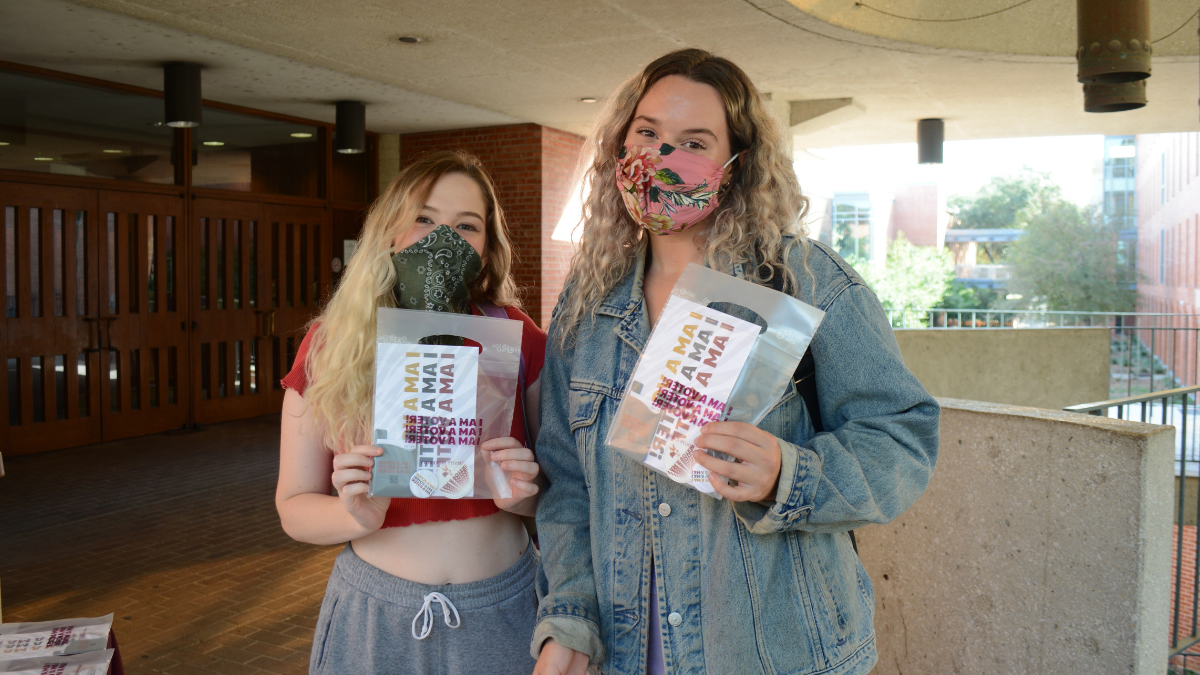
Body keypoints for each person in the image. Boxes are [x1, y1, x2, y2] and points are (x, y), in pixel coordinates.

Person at [532, 49, 940, 675]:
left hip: (777, 655)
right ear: (621, 143)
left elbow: (902, 440)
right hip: (624, 652)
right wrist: (570, 618)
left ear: (737, 163)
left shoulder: (802, 281)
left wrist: (790, 473)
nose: (663, 158)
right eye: (648, 134)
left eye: (693, 141)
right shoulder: (587, 305)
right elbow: (567, 486)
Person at [276, 150, 547, 675]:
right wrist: (348, 513)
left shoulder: (517, 339)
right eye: (424, 217)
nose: (443, 238)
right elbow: (293, 506)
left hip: (504, 609)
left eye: (466, 226)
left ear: (488, 249)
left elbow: (566, 497)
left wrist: (526, 498)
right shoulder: (334, 344)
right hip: (376, 616)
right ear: (390, 231)